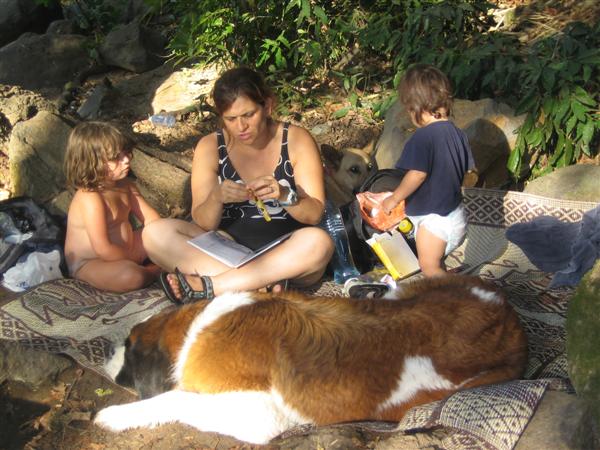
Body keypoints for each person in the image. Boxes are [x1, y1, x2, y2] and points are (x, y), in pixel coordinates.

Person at [143, 67, 334, 302]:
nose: (241, 127)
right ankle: (258, 286)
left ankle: (214, 285)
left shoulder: (296, 140)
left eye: (249, 115)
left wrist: (284, 194)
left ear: (268, 106)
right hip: (227, 248)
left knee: (318, 242)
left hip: (287, 253)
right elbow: (203, 222)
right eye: (231, 119)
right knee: (154, 234)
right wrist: (216, 197)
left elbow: (314, 214)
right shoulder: (210, 146)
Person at [381, 64, 475, 277]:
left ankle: (453, 292)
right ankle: (448, 282)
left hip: (434, 221)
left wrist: (395, 198)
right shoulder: (458, 134)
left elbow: (417, 174)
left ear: (415, 107)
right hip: (454, 214)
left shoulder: (422, 138)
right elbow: (466, 171)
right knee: (437, 262)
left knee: (429, 267)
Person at [64, 121, 161, 292]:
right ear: (92, 163)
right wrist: (132, 257)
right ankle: (156, 271)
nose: (126, 160)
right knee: (131, 276)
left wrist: (162, 236)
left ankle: (163, 262)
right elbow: (103, 249)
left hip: (129, 249)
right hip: (92, 263)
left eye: (126, 152)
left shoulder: (127, 186)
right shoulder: (90, 198)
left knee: (168, 232)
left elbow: (152, 220)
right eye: (116, 157)